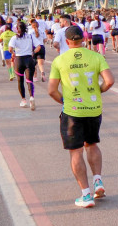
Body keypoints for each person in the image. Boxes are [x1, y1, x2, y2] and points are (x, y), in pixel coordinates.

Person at [48, 26, 114, 208]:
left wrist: (64, 100)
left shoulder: (59, 61)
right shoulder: (96, 56)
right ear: (84, 39)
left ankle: (86, 195)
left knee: (76, 151)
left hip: (72, 111)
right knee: (91, 144)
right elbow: (109, 81)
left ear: (67, 41)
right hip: (94, 109)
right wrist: (98, 92)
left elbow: (51, 90)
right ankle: (98, 181)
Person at [9, 22, 43, 110]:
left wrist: (14, 53)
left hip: (19, 60)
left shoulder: (14, 37)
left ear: (17, 29)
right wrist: (33, 53)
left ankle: (23, 100)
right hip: (29, 59)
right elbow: (39, 47)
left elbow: (10, 49)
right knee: (29, 80)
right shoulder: (30, 36)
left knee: (20, 81)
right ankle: (32, 97)